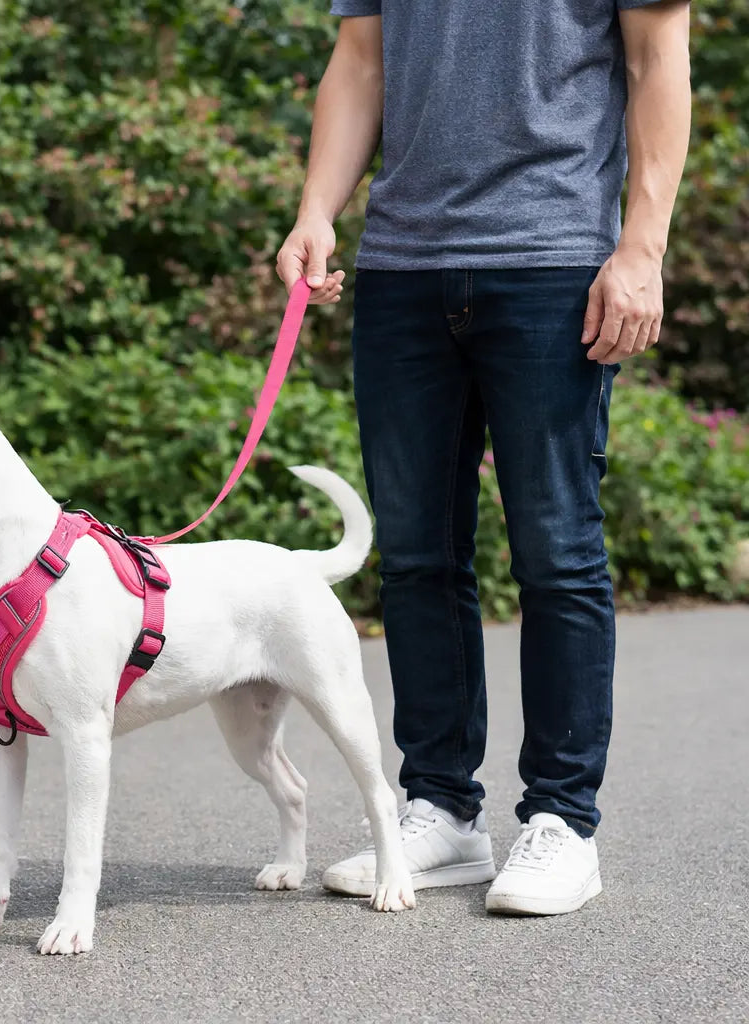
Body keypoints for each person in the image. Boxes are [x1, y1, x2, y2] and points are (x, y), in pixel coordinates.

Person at [276, 1, 690, 915]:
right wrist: (316, 210)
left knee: (557, 553)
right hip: (402, 266)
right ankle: (442, 808)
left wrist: (642, 246)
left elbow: (658, 57)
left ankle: (563, 820)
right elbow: (361, 59)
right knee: (417, 558)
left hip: (554, 258)